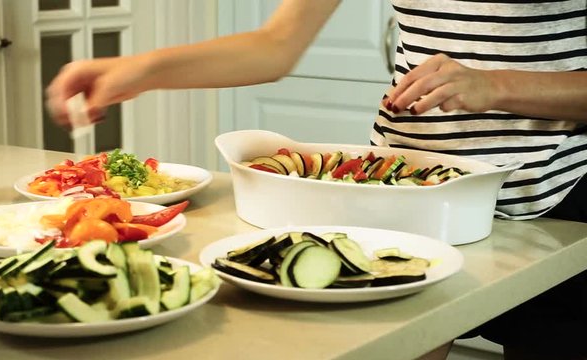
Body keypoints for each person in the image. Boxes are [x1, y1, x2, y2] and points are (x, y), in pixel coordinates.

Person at [46, 1, 587, 359]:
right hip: (405, 204)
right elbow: (276, 43)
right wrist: (143, 69)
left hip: (557, 207)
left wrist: (493, 86)